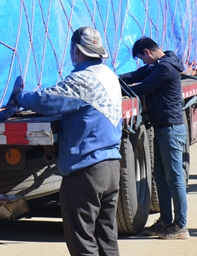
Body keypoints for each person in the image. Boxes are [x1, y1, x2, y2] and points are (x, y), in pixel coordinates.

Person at [13, 27, 123, 256]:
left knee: (82, 242)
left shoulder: (83, 79)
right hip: (111, 166)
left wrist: (19, 97)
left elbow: (48, 102)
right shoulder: (109, 75)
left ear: (76, 51)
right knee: (106, 238)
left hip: (87, 170)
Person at [119, 37, 188, 240]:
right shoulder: (156, 65)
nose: (142, 63)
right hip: (161, 128)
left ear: (147, 52)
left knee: (174, 179)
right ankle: (166, 221)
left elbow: (141, 88)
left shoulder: (165, 68)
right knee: (160, 176)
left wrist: (114, 88)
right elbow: (135, 75)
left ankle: (181, 225)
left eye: (141, 58)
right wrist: (113, 79)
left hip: (171, 129)